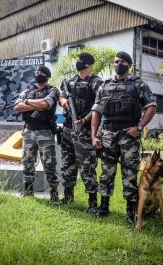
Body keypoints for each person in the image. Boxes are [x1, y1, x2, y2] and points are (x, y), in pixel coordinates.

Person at [91, 51, 157, 224]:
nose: (117, 64)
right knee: (106, 173)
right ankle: (103, 207)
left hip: (128, 136)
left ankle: (130, 212)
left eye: (121, 61)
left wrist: (139, 127)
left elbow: (151, 106)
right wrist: (93, 136)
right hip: (108, 135)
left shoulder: (138, 84)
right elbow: (96, 112)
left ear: (129, 64)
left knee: (129, 174)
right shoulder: (103, 86)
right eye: (115, 61)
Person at [58, 52, 103, 214]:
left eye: (80, 61)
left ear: (88, 64)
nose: (77, 63)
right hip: (68, 128)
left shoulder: (96, 82)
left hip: (84, 130)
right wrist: (64, 102)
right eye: (77, 61)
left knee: (87, 167)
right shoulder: (70, 81)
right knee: (67, 163)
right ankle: (68, 197)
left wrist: (84, 120)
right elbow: (61, 97)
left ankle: (92, 203)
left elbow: (99, 105)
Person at [14, 65, 60, 203]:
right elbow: (17, 106)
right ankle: (28, 191)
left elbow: (45, 105)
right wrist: (35, 104)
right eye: (36, 72)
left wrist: (27, 102)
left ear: (47, 75)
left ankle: (54, 193)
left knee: (49, 163)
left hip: (45, 131)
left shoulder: (53, 90)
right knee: (27, 161)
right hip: (29, 130)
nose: (37, 73)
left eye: (40, 72)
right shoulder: (27, 91)